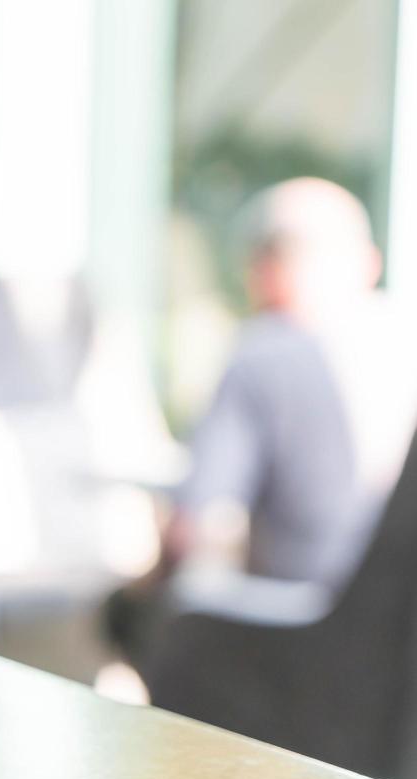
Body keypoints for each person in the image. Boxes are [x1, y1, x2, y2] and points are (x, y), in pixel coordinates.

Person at [107, 178, 417, 658]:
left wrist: (142, 588)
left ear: (262, 271)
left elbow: (199, 523)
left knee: (135, 616)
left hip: (308, 635)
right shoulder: (401, 343)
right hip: (398, 659)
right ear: (369, 264)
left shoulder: (266, 353)